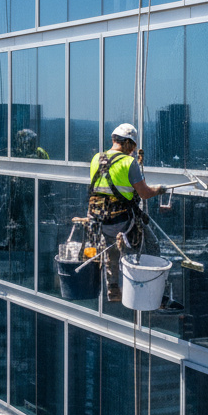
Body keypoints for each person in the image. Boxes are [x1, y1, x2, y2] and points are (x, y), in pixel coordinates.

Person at [88, 123, 167, 303]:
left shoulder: (96, 158)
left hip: (100, 220)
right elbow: (144, 193)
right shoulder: (128, 163)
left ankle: (113, 288)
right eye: (132, 146)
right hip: (122, 221)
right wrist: (159, 190)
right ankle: (149, 287)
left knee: (111, 250)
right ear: (128, 144)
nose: (133, 151)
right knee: (151, 244)